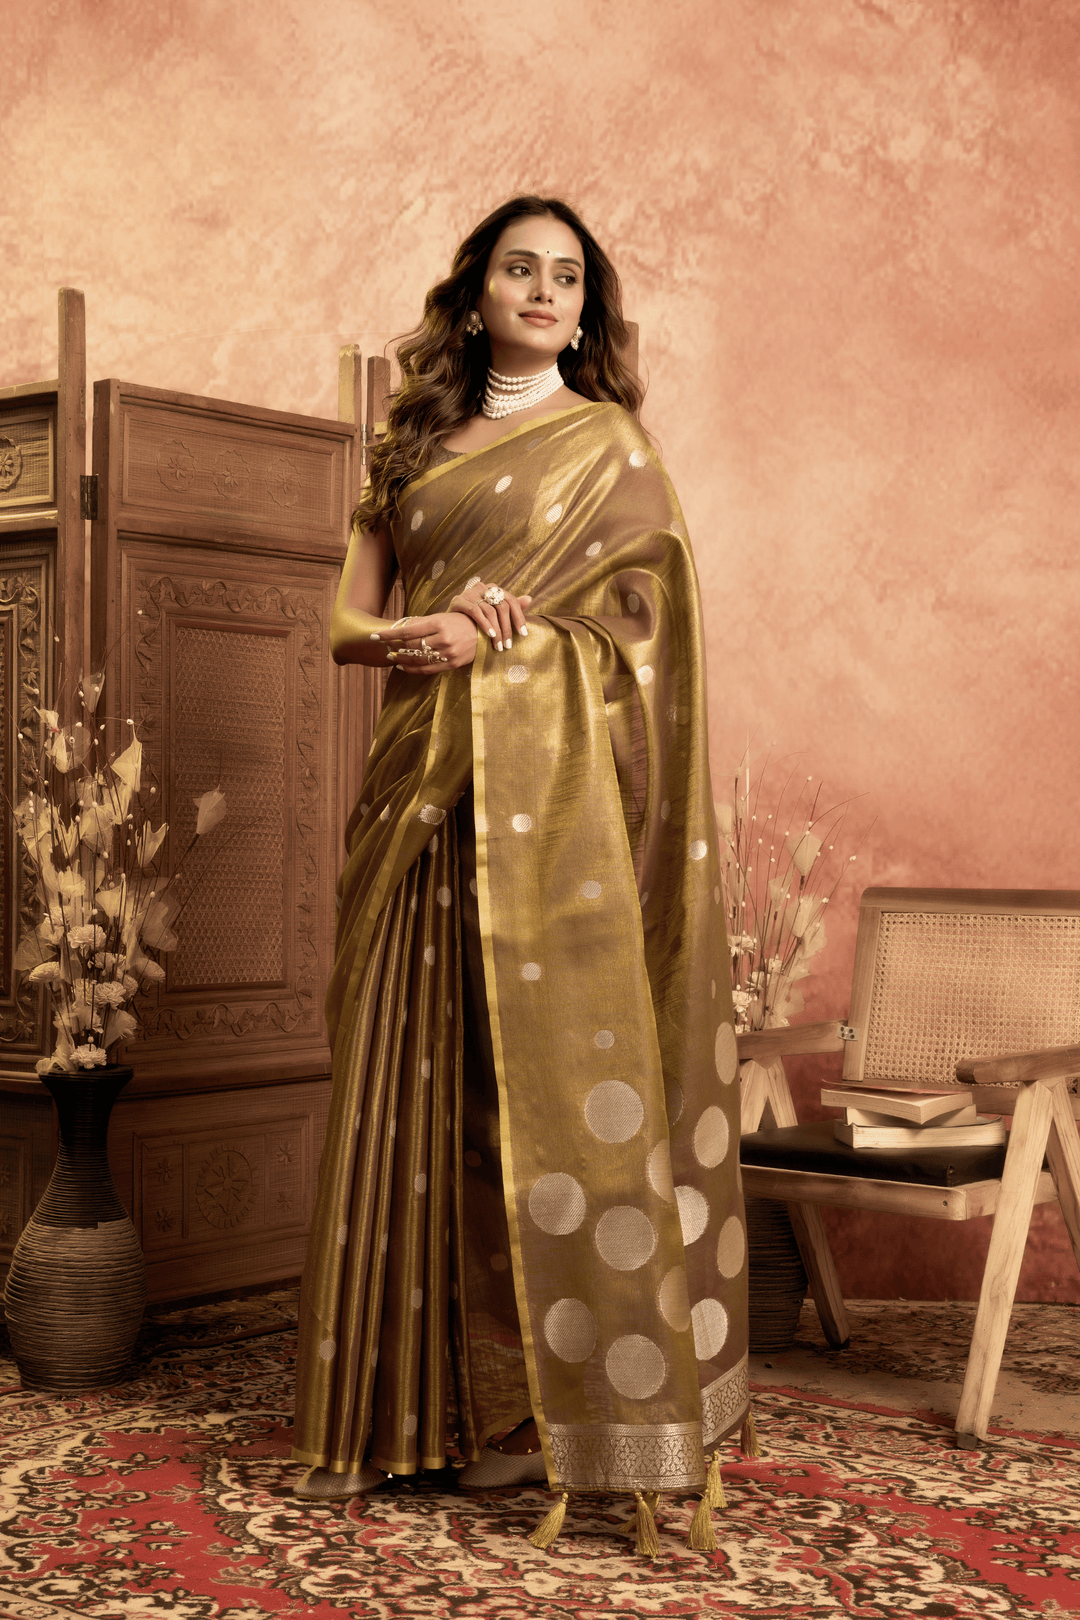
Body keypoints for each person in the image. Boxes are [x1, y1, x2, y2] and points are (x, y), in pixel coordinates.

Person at [291, 195, 748, 1553]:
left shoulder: (611, 449)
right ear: (477, 291)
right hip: (420, 801)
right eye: (519, 269)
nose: (544, 291)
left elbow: (650, 639)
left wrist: (527, 645)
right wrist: (426, 631)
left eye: (567, 277)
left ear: (585, 308)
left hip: (544, 825)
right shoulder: (410, 446)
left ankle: (541, 1419)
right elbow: (342, 625)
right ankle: (390, 1416)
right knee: (406, 1091)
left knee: (529, 1104)